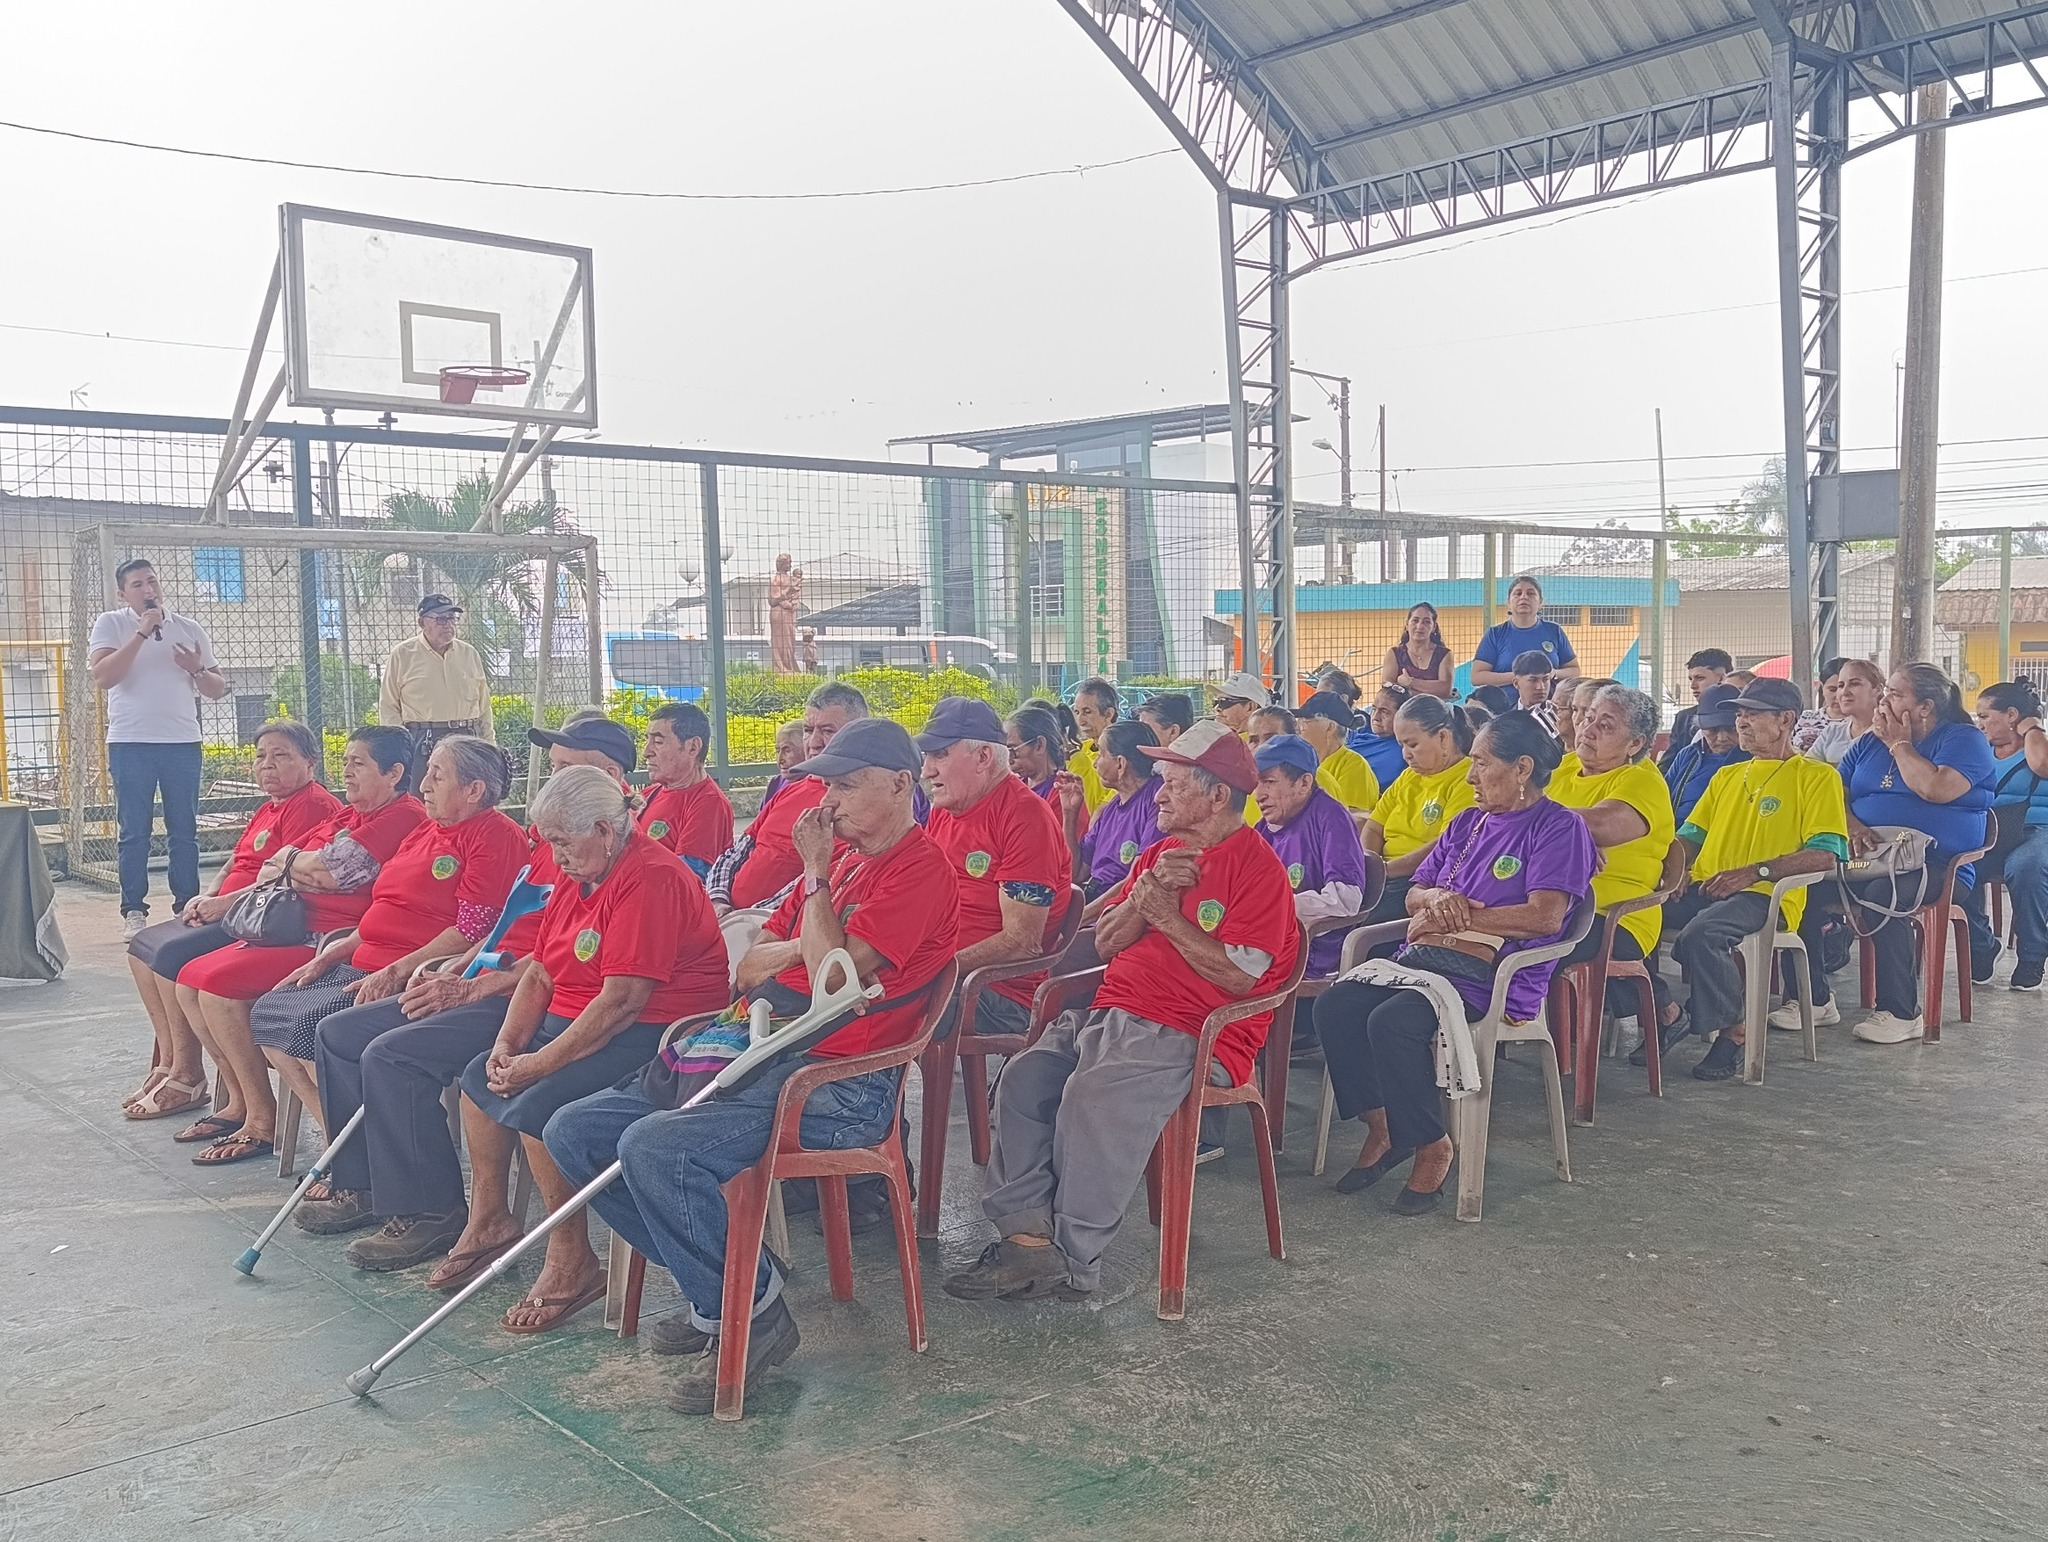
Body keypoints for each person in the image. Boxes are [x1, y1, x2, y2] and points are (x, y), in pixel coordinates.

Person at [544, 719, 959, 1413]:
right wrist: (809, 938)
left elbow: (831, 981)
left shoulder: (918, 870)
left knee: (655, 1147)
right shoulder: (843, 863)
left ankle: (747, 1312)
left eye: (846, 785)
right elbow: (749, 964)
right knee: (574, 1131)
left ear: (899, 785)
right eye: (825, 786)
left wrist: (814, 889)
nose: (828, 802)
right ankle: (730, 1291)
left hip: (835, 1082)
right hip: (754, 1047)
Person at [324, 768, 729, 1307]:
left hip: (652, 1035)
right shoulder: (579, 871)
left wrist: (538, 1065)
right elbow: (540, 971)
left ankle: (571, 1257)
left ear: (605, 831)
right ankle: (490, 1219)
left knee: (537, 1100)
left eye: (562, 842)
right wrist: (507, 1045)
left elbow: (620, 1004)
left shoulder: (651, 878)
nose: (554, 856)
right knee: (480, 1078)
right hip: (576, 1020)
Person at [943, 720, 1298, 1302]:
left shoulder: (1258, 869)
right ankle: (1027, 1241)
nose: (1158, 795)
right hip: (1113, 1013)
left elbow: (1240, 976)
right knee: (1023, 1079)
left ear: (1217, 795)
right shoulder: (1160, 854)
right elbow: (1106, 942)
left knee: (1092, 1096)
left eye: (1174, 784)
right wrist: (1146, 891)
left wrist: (1166, 916)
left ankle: (1074, 1261)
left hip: (1191, 1030)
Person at [179, 738, 527, 1166]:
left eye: (437, 776)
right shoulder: (428, 828)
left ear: (474, 790)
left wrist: (396, 971)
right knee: (270, 1012)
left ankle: (353, 1158)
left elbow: (474, 929)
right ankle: (343, 1145)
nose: (424, 784)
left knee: (316, 1029)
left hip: (412, 971)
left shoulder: (493, 835)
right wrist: (334, 952)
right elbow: (384, 905)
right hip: (362, 958)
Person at [1314, 711, 1596, 1212]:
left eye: (1481, 764)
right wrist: (1435, 901)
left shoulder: (1560, 827)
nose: (1470, 777)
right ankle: (1385, 1126)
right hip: (1430, 957)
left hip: (1493, 975)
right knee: (1335, 1007)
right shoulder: (1467, 823)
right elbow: (1416, 891)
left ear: (1522, 768)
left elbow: (1545, 917)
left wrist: (1462, 916)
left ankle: (1432, 1144)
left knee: (1392, 1022)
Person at [167, 726, 426, 1150]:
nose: (347, 772)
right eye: (345, 762)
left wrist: (300, 866)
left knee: (215, 986)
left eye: (358, 764)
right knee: (189, 980)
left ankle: (265, 1119)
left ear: (394, 773)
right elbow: (274, 863)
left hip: (327, 938)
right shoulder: (350, 814)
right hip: (289, 925)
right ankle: (241, 1104)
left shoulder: (402, 815)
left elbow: (334, 874)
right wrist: (301, 865)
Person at [122, 720, 339, 1121]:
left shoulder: (312, 804)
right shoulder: (269, 807)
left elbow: (286, 875)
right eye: (261, 756)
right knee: (142, 947)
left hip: (262, 916)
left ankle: (188, 1074)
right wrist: (209, 895)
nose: (267, 765)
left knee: (171, 959)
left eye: (281, 756)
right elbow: (235, 861)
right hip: (229, 908)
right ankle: (168, 1063)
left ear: (311, 762)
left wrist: (224, 905)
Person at [1788, 664, 1994, 1045]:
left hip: (1938, 865)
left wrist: (1899, 745)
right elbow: (1834, 793)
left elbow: (1935, 789)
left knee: (1884, 893)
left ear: (1925, 707)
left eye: (1895, 694)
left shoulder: (1964, 740)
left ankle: (1901, 1012)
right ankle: (1812, 999)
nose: (1884, 701)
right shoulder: (1869, 742)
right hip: (1867, 858)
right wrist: (1851, 824)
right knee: (1798, 889)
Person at [1659, 679, 1848, 1079]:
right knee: (1633, 917)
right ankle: (1664, 1012)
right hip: (1708, 885)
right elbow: (1689, 837)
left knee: (1702, 935)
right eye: (1740, 714)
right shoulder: (1727, 776)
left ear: (1786, 720)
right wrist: (1673, 874)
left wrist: (1753, 873)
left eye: (1753, 714)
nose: (1741, 722)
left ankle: (1734, 1031)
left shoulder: (1816, 777)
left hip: (1764, 894)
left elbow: (1824, 853)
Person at [88, 556, 230, 938]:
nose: (148, 589)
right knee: (134, 831)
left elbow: (217, 689)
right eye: (137, 584)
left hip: (181, 742)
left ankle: (187, 907)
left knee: (184, 830)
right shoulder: (111, 624)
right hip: (130, 742)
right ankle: (134, 910)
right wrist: (140, 634)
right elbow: (103, 677)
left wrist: (197, 668)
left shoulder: (188, 628)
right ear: (123, 594)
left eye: (152, 581)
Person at [920, 698, 1073, 1048]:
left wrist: (932, 970)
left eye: (940, 755)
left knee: (869, 1009)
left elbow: (1022, 942)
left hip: (994, 993)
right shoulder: (945, 809)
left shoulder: (1025, 817)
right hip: (945, 974)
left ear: (983, 757)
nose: (927, 771)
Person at [1549, 685, 1682, 1045]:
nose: (1587, 729)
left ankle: (1540, 1046)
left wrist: (1559, 830)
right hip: (1557, 899)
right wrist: (1567, 835)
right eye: (1587, 717)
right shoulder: (1565, 767)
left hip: (1614, 915)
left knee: (1527, 945)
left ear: (1635, 743)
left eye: (1605, 725)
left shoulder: (1642, 780)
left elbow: (1603, 825)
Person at [1252, 733, 1369, 1060]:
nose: (1258, 794)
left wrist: (1273, 908)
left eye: (1269, 782)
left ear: (1304, 783)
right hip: (1271, 939)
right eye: (1257, 783)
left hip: (1313, 948)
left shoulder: (1329, 817)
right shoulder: (1266, 826)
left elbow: (1346, 898)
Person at [707, 681, 868, 911]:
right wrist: (718, 900)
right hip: (731, 915)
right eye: (808, 730)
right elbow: (736, 852)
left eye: (828, 731)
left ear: (857, 735)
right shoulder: (789, 790)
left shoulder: (856, 805)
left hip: (774, 921)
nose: (813, 743)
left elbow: (817, 882)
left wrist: (747, 916)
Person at [1362, 694, 1478, 925]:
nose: (1406, 754)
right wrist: (1369, 864)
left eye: (1412, 744)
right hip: (1382, 875)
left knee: (1356, 921)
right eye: (1401, 745)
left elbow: (1444, 847)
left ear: (1443, 737)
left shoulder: (1466, 780)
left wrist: (1386, 870)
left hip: (1418, 882)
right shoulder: (1408, 777)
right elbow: (1374, 827)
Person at [1963, 680, 2048, 988]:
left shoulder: (2039, 747)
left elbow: (2043, 765)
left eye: (1985, 716)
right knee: (1957, 868)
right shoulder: (1980, 750)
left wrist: (2033, 728)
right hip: (1991, 832)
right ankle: (1982, 947)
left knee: (2025, 867)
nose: (1980, 723)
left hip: (2038, 829)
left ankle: (2032, 956)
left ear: (2011, 715)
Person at [379, 593, 492, 778]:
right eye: (440, 619)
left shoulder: (469, 654)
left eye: (452, 618)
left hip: (467, 737)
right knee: (424, 793)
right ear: (422, 623)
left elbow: (484, 706)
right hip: (423, 740)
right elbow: (389, 706)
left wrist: (489, 745)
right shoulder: (403, 655)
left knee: (469, 792)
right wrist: (400, 748)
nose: (448, 624)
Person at [1062, 719, 1161, 902]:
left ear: (1120, 764)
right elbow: (1076, 872)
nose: (1095, 764)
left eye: (1101, 754)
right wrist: (1070, 813)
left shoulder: (1156, 800)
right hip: (1094, 897)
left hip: (1120, 906)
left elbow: (1136, 881)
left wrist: (1082, 916)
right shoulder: (1112, 807)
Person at [636, 701, 733, 876]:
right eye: (647, 740)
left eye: (658, 741)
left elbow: (684, 877)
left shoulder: (709, 805)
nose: (646, 752)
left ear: (693, 747)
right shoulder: (650, 793)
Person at [1469, 575, 1578, 689]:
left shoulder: (1554, 631)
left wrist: (1553, 673)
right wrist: (1519, 676)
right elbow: (1477, 677)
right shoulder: (1495, 634)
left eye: (1531, 593)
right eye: (1518, 593)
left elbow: (1574, 670)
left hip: (1549, 700)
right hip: (1506, 700)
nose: (1524, 597)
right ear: (1508, 602)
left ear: (1540, 602)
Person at [1662, 683, 1749, 825]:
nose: (1722, 738)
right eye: (1712, 730)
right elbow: (1663, 798)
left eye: (1731, 729)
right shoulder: (1688, 755)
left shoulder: (1751, 759)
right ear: (1700, 728)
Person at [1295, 690, 1380, 825]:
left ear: (1330, 728)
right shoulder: (1306, 762)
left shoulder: (1354, 766)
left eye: (1305, 722)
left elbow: (1356, 820)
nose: (1298, 730)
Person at [1659, 648, 1732, 767]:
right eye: (1691, 679)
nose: (1693, 686)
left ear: (1722, 678)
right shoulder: (1683, 718)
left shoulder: (1742, 715)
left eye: (1700, 678)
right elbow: (1667, 764)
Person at [1806, 657, 1881, 766]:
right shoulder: (1832, 732)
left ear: (1878, 689)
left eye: (1854, 684)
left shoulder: (1887, 733)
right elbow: (1807, 769)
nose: (1844, 692)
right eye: (1840, 686)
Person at [1069, 676, 1121, 813]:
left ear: (1108, 714)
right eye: (1077, 712)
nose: (1080, 721)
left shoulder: (1122, 755)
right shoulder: (1081, 748)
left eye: (1087, 712)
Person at [1348, 683, 1413, 791]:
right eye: (1374, 709)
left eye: (1384, 712)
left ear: (1401, 716)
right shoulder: (1362, 733)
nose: (1375, 717)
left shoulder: (1399, 754)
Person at [1382, 601, 1454, 699]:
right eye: (1415, 621)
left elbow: (1445, 690)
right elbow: (1387, 687)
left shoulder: (1444, 654)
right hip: (1402, 708)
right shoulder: (1394, 654)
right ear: (1407, 625)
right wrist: (1429, 691)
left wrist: (1410, 682)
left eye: (1426, 622)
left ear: (1434, 627)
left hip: (1434, 708)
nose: (1420, 626)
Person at [1005, 704, 1072, 806]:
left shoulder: (1065, 792)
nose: (1009, 760)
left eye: (1012, 750)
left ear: (1039, 745)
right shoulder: (1014, 787)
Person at [768, 554, 802, 674]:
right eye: (788, 563)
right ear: (781, 564)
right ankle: (780, 666)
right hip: (778, 613)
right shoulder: (775, 580)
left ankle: (790, 665)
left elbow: (796, 596)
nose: (790, 566)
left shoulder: (791, 579)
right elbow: (773, 600)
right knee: (779, 640)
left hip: (789, 612)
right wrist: (788, 589)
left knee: (790, 639)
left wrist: (792, 603)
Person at [760, 720, 806, 805]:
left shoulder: (816, 785)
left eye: (787, 751)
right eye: (777, 751)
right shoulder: (775, 783)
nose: (780, 759)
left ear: (806, 750)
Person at [1212, 671, 1270, 737]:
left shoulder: (1260, 741)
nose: (1217, 708)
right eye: (1215, 702)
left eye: (1224, 702)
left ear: (1250, 707)